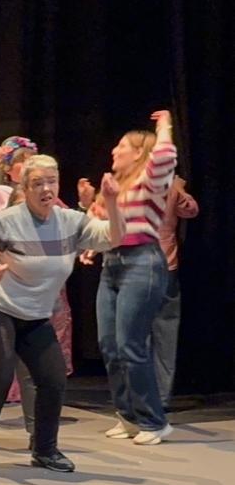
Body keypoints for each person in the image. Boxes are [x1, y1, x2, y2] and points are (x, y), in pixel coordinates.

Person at [0, 156, 125, 477]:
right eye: (37, 183)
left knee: (52, 377)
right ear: (25, 188)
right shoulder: (7, 222)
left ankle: (44, 449)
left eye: (51, 181)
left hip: (35, 313)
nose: (46, 189)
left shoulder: (70, 222)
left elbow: (114, 237)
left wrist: (111, 201)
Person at [86, 111, 178, 445]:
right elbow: (105, 226)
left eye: (122, 146)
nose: (114, 150)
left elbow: (164, 156)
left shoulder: (151, 181)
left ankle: (154, 421)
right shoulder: (117, 187)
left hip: (142, 263)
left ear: (139, 152)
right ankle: (127, 416)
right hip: (112, 264)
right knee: (110, 347)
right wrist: (92, 246)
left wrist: (164, 126)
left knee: (131, 346)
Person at [145, 176, 197, 407]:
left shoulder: (130, 184)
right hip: (155, 264)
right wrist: (178, 188)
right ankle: (156, 396)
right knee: (158, 331)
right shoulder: (165, 186)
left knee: (156, 331)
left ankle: (151, 396)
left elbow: (190, 210)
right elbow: (190, 209)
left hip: (156, 265)